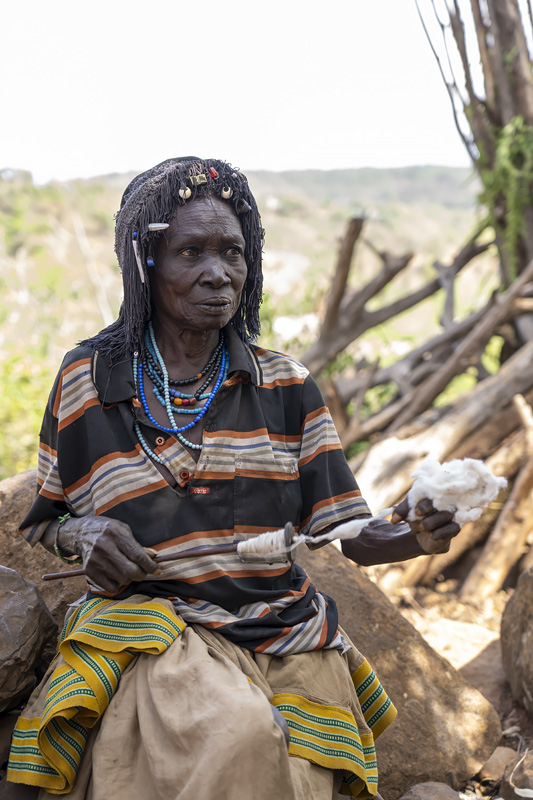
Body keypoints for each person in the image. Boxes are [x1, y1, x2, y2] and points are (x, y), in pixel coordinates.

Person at [7, 157, 459, 800]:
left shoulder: (285, 385)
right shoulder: (91, 380)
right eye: (190, 250)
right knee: (240, 737)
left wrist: (414, 534)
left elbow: (350, 535)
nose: (217, 273)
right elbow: (49, 519)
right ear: (145, 262)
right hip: (163, 631)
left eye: (232, 253)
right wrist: (88, 534)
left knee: (286, 758)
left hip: (285, 634)